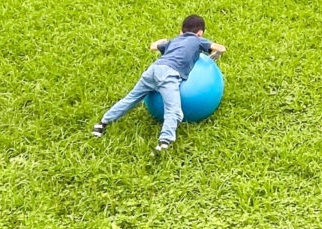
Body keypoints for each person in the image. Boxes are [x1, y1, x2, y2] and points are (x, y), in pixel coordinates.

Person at [91, 14, 226, 153]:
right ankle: (164, 142)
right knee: (173, 110)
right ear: (200, 33)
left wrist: (162, 40)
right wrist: (214, 55)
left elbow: (153, 46)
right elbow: (221, 48)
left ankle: (102, 124)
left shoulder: (174, 41)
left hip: (153, 71)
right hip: (169, 76)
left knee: (130, 99)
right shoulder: (198, 40)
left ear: (181, 32)